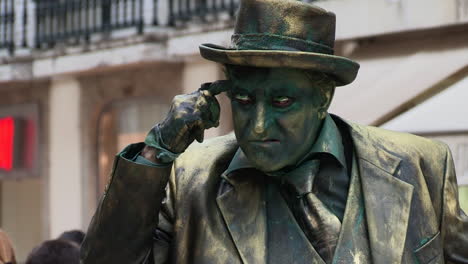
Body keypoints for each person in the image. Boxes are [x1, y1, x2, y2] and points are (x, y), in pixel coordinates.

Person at [81, 0, 468, 263]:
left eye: (282, 102)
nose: (260, 124)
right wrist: (157, 152)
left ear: (323, 97)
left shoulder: (419, 166)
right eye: (245, 101)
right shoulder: (190, 180)